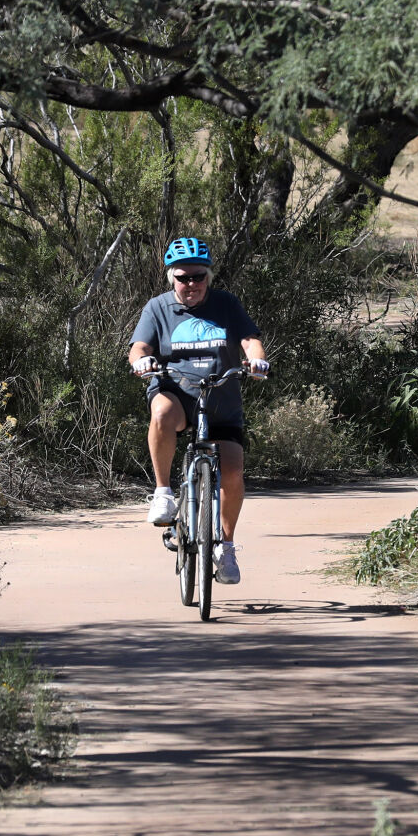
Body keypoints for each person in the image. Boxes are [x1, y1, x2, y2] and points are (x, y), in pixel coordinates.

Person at [128, 237, 268, 584]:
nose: (191, 284)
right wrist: (142, 361)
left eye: (198, 277)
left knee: (233, 472)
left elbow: (249, 338)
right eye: (183, 277)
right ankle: (163, 493)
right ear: (171, 278)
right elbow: (139, 346)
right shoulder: (158, 308)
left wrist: (256, 358)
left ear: (208, 276)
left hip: (220, 398)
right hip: (176, 393)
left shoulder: (226, 304)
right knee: (161, 413)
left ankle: (226, 547)